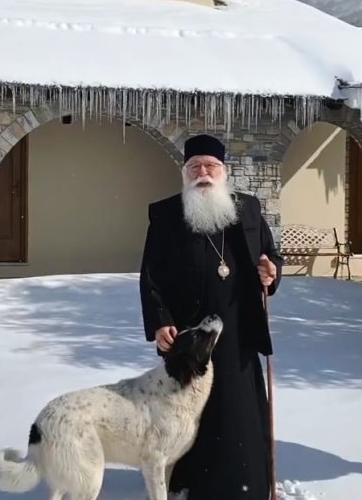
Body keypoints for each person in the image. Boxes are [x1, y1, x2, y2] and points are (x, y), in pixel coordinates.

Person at [139, 133, 282, 500]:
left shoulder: (247, 209)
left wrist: (272, 272)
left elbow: (269, 255)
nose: (203, 173)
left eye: (211, 166)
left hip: (237, 329)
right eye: (195, 167)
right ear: (185, 172)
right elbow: (150, 276)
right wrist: (160, 320)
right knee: (189, 409)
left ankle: (246, 484)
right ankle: (191, 484)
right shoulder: (168, 214)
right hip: (189, 333)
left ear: (223, 171)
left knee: (237, 409)